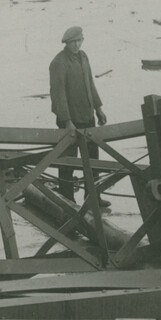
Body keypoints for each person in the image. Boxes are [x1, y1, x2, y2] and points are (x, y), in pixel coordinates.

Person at [49, 26, 106, 202]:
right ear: (66, 43)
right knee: (68, 161)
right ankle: (67, 198)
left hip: (87, 116)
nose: (76, 45)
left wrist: (98, 108)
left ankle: (93, 196)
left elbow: (90, 83)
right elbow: (58, 94)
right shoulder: (59, 62)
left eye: (79, 41)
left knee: (92, 159)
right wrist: (67, 121)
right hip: (70, 120)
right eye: (73, 42)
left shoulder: (83, 57)